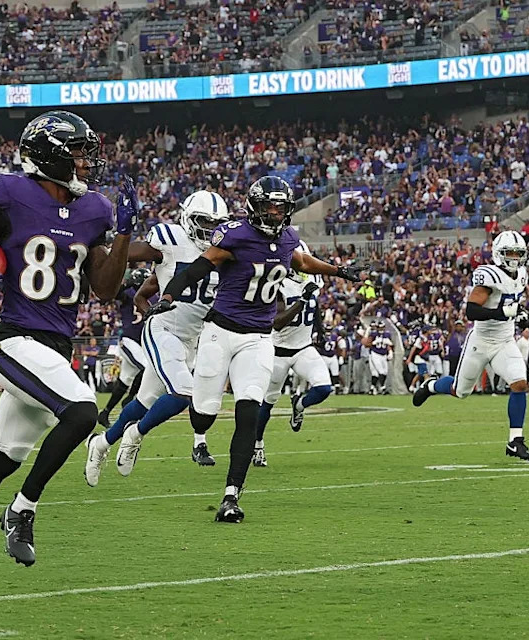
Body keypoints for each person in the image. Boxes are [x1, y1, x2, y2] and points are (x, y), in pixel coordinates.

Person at [0, 110, 135, 593]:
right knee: (81, 413)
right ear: (50, 156)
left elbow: (103, 287)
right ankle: (21, 511)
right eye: (76, 152)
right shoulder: (11, 194)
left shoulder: (95, 208)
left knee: (2, 457)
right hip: (14, 341)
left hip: (55, 346)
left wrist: (123, 237)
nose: (85, 162)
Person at [141, 176, 367, 522]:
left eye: (281, 207)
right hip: (220, 332)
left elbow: (303, 262)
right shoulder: (236, 234)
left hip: (259, 339)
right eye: (269, 207)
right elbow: (199, 268)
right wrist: (168, 295)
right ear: (255, 207)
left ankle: (231, 496)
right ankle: (199, 433)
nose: (275, 214)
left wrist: (339, 271)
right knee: (204, 412)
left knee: (248, 412)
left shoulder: (289, 238)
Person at [85, 191, 231, 488]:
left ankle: (101, 443)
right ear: (189, 219)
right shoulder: (170, 240)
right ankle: (135, 434)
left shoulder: (225, 251)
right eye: (204, 221)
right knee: (185, 393)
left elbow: (148, 288)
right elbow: (126, 256)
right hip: (164, 331)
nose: (208, 228)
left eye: (215, 223)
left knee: (145, 400)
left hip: (192, 340)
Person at [413, 230, 529, 460]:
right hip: (481, 341)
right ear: (499, 253)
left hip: (505, 340)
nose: (515, 258)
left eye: (519, 253)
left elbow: (513, 304)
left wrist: (521, 314)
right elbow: (471, 311)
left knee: (519, 383)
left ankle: (515, 441)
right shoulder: (488, 274)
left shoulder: (521, 274)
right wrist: (502, 312)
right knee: (460, 391)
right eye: (510, 253)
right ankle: (431, 386)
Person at [251, 246, 334, 468]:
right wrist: (302, 300)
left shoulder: (311, 281)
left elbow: (314, 305)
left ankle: (299, 404)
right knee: (266, 404)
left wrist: (320, 330)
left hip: (304, 348)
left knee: (324, 388)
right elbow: (276, 322)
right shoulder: (277, 285)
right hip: (277, 352)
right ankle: (257, 445)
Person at [96, 267, 150, 428]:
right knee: (147, 368)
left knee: (125, 380)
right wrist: (127, 284)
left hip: (141, 342)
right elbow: (113, 293)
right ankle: (130, 398)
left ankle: (105, 412)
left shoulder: (153, 295)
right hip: (129, 340)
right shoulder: (128, 295)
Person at [364, 319, 393, 394]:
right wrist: (374, 343)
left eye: (383, 327)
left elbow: (390, 345)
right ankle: (383, 388)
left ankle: (372, 388)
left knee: (384, 372)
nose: (382, 329)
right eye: (380, 327)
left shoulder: (387, 334)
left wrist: (390, 351)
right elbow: (366, 344)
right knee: (381, 372)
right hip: (375, 354)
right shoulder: (374, 334)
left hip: (383, 355)